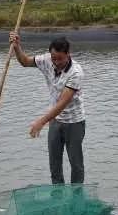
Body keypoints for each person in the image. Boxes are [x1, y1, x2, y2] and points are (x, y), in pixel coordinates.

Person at [9, 32, 87, 184]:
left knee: (76, 163)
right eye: (54, 58)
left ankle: (76, 196)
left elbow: (62, 103)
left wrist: (41, 122)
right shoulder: (47, 60)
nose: (56, 62)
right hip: (55, 121)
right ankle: (58, 195)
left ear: (68, 54)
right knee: (54, 164)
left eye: (60, 58)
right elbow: (25, 61)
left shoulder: (76, 72)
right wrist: (17, 47)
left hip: (74, 122)